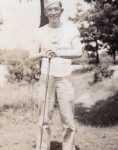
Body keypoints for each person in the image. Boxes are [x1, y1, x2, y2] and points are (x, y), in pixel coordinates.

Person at [29, 0, 82, 149]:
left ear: (61, 10)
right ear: (45, 13)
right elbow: (31, 56)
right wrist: (43, 54)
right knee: (44, 121)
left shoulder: (71, 29)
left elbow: (78, 52)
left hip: (65, 78)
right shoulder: (40, 31)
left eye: (56, 9)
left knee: (69, 122)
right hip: (46, 78)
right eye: (50, 10)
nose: (53, 13)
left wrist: (58, 53)